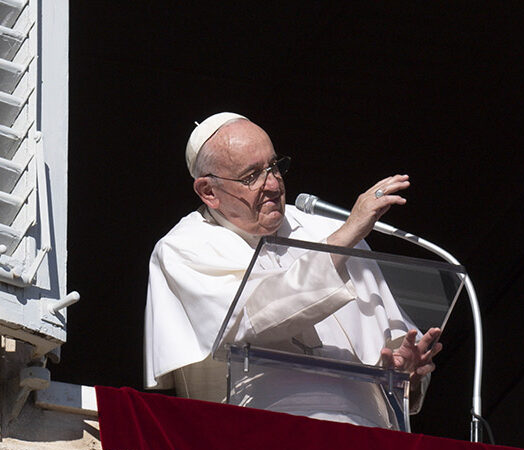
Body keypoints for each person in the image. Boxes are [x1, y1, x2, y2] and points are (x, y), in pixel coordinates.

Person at [144, 112, 442, 428]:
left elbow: (393, 350)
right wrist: (346, 235)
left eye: (275, 167)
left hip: (366, 433)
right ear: (208, 191)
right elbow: (252, 317)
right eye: (252, 176)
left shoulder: (329, 231)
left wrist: (403, 370)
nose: (273, 184)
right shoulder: (184, 247)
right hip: (255, 434)